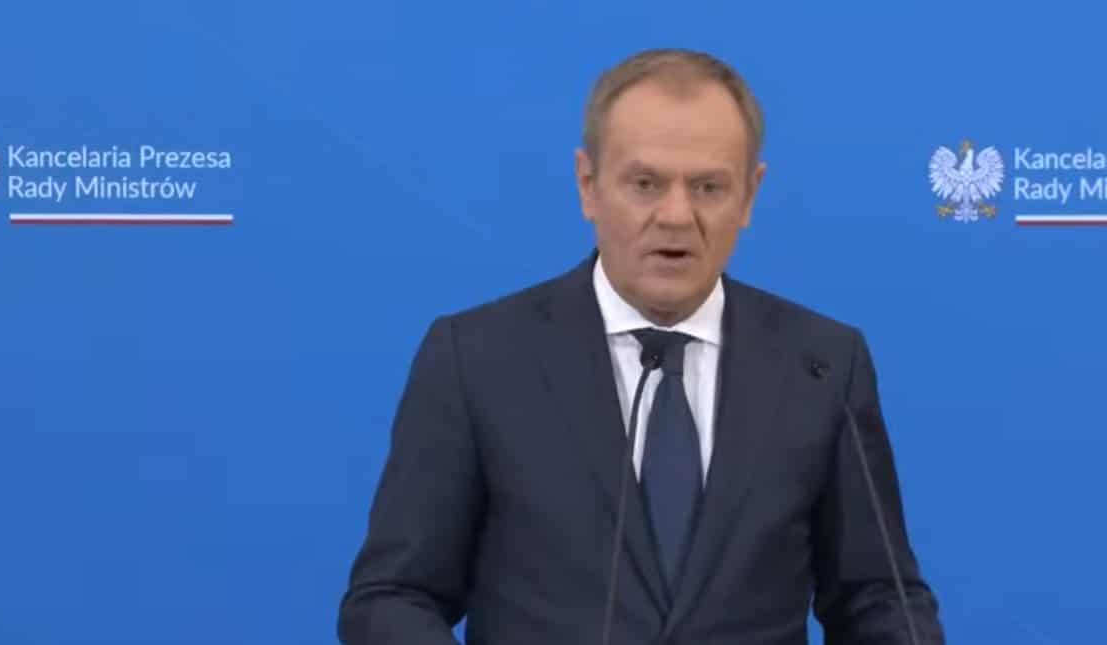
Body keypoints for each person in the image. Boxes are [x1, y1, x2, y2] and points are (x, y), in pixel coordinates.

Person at [337, 48, 944, 645]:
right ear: (588, 185)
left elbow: (878, 600)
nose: (676, 215)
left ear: (749, 196)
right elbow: (392, 598)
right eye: (646, 183)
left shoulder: (822, 364)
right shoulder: (477, 359)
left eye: (708, 187)